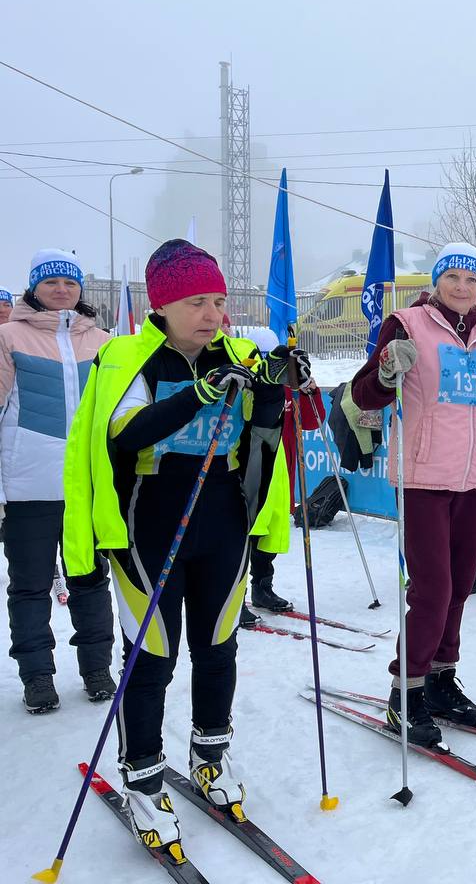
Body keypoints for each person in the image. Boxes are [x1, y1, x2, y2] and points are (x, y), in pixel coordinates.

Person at [62, 239, 298, 850]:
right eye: (197, 301)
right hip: (148, 524)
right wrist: (196, 393)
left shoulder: (241, 354)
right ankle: (142, 777)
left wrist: (276, 388)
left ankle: (210, 756)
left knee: (217, 648)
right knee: (152, 657)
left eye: (219, 300)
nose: (212, 313)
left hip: (222, 520)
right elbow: (121, 434)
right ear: (162, 306)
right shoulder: (127, 359)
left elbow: (263, 441)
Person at [351, 241, 476, 746]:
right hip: (424, 475)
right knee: (431, 589)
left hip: (475, 475)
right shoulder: (407, 324)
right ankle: (405, 691)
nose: (462, 287)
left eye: (472, 280)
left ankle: (439, 679)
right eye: (453, 277)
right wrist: (389, 370)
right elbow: (363, 392)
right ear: (437, 281)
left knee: (459, 584)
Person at [0, 250, 115, 714]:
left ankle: (96, 670)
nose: (62, 290)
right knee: (28, 586)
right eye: (50, 283)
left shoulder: (104, 341)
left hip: (85, 489)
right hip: (29, 486)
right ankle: (37, 677)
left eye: (69, 282)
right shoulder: (9, 336)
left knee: (90, 581)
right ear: (34, 288)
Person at [233, 327, 326, 628]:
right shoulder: (247, 385)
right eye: (261, 359)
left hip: (280, 469)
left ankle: (262, 587)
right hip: (249, 468)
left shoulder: (289, 385)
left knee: (272, 531)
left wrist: (309, 387)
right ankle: (234, 597)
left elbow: (313, 421)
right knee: (244, 532)